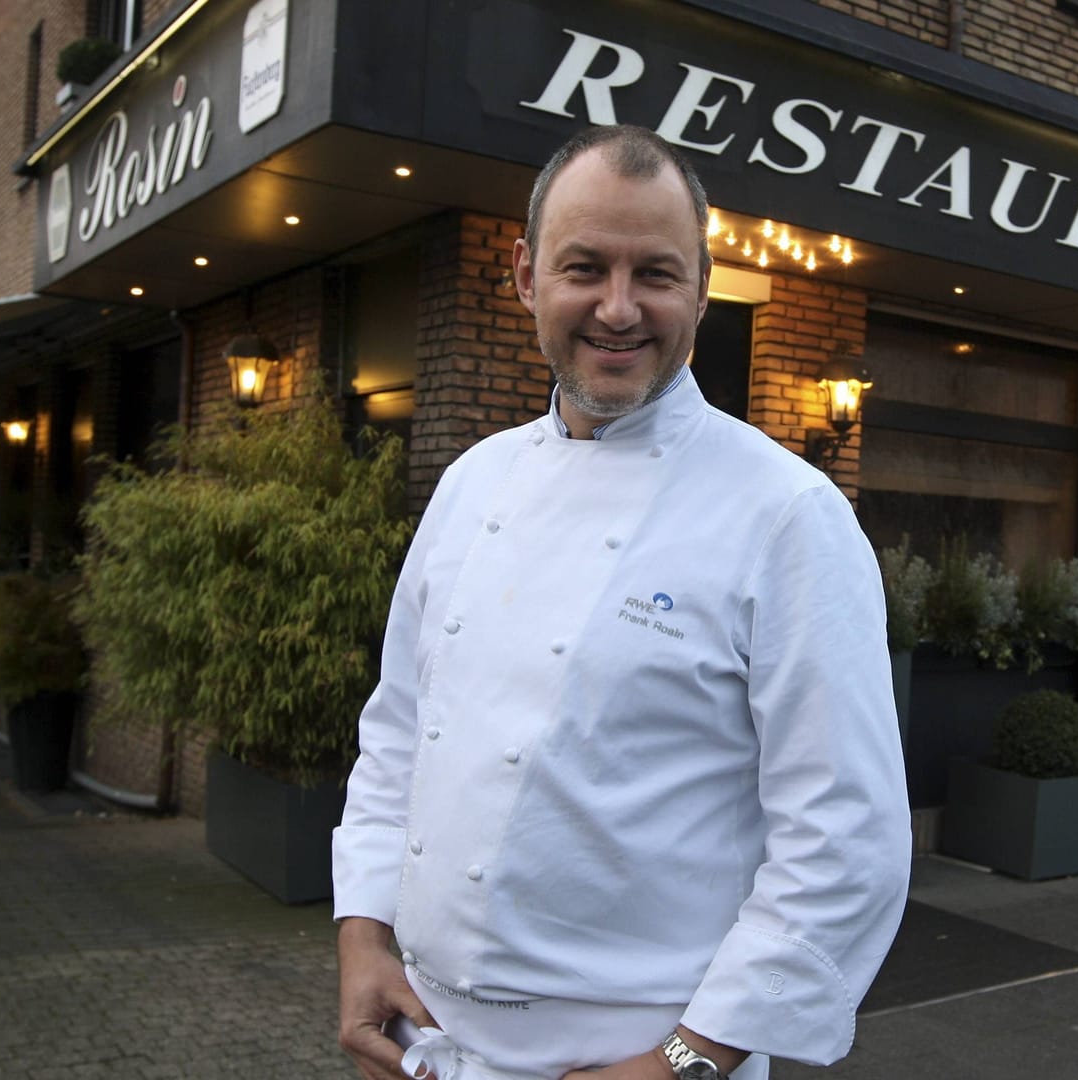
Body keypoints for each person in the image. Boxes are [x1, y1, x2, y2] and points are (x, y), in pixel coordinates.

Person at [332, 123, 910, 1080]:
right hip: (425, 1043)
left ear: (703, 286)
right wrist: (364, 939)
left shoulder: (787, 515)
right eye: (584, 267)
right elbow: (399, 732)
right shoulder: (472, 482)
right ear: (525, 277)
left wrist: (686, 1060)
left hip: (637, 1055)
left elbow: (847, 841)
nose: (617, 308)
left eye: (655, 273)